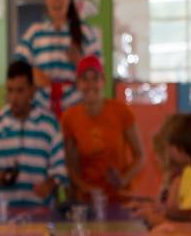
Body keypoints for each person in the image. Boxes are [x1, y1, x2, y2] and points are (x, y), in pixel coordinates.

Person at [0, 58, 67, 209]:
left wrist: (49, 185)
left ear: (32, 90)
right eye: (10, 90)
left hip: (41, 212)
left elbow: (60, 169)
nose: (14, 98)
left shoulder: (49, 124)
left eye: (20, 90)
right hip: (2, 213)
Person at [15, 0, 101, 116]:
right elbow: (18, 69)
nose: (56, 0)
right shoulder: (34, 32)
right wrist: (33, 74)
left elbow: (99, 73)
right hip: (40, 110)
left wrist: (81, 64)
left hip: (77, 108)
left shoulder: (86, 32)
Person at [61, 56, 145, 203]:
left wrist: (122, 180)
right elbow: (70, 166)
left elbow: (140, 157)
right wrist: (85, 188)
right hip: (88, 202)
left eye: (95, 78)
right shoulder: (70, 118)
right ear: (78, 83)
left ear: (103, 81)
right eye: (84, 79)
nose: (90, 84)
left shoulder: (121, 112)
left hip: (121, 199)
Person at [129, 113, 191, 226]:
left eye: (169, 145)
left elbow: (189, 214)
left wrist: (157, 213)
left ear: (179, 149)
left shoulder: (190, 175)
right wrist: (155, 208)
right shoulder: (188, 173)